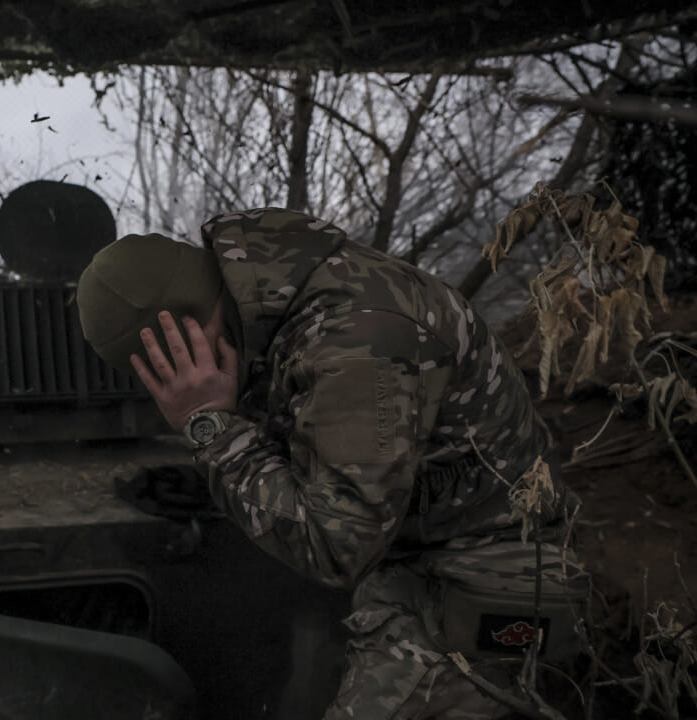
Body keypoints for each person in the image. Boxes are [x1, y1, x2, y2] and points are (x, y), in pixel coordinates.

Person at [76, 208, 587, 719]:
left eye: (167, 366)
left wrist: (207, 425)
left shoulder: (354, 341)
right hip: (414, 554)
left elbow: (335, 546)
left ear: (179, 337)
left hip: (491, 576)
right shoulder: (281, 297)